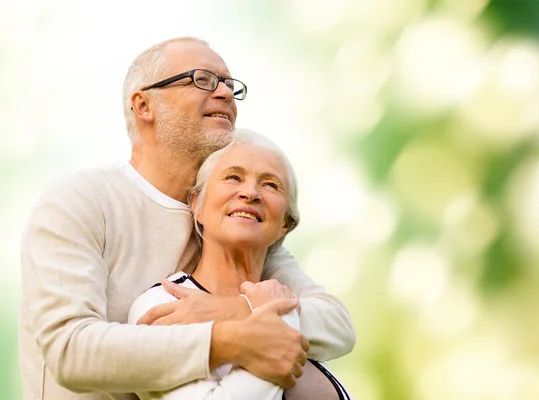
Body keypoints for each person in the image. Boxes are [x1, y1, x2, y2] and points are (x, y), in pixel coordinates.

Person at [19, 37, 355, 400]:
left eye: (229, 84)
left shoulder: (230, 221)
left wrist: (235, 310)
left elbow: (335, 323)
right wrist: (229, 339)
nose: (225, 93)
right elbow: (70, 351)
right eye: (203, 79)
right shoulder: (81, 200)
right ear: (143, 105)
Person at [128, 129, 352, 399]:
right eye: (233, 177)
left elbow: (342, 330)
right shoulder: (164, 303)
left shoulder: (284, 300)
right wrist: (277, 318)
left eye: (270, 184)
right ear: (197, 204)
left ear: (285, 224)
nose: (250, 192)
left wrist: (250, 310)